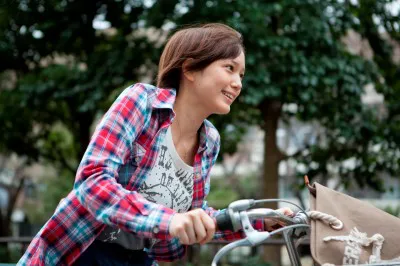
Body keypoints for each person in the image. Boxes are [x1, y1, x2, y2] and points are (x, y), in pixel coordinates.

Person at [18, 23, 293, 266]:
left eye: (241, 75)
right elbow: (92, 181)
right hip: (81, 251)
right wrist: (169, 220)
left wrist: (259, 220)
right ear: (190, 69)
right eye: (230, 68)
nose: (237, 83)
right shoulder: (142, 102)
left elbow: (192, 218)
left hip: (140, 259)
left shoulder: (210, 141)